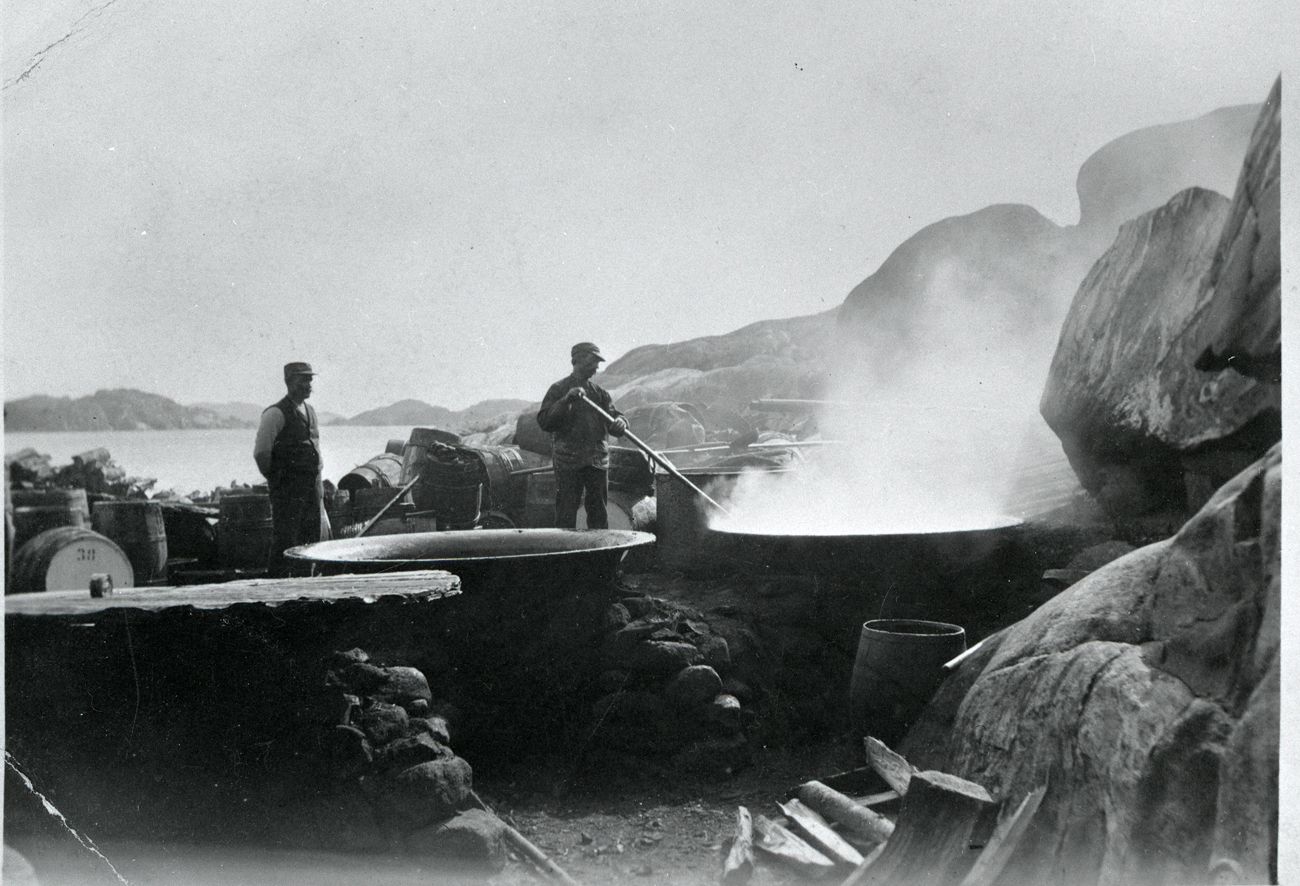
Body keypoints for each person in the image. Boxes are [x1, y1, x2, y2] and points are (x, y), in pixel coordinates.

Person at [537, 342, 629, 529]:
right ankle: (566, 556)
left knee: (599, 514)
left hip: (597, 461)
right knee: (566, 513)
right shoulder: (559, 389)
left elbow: (614, 419)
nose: (596, 367)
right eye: (593, 361)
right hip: (568, 462)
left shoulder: (599, 393)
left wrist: (622, 422)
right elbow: (545, 422)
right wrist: (566, 400)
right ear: (577, 359)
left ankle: (598, 556)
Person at [254, 361, 331, 576]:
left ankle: (303, 591)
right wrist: (277, 481)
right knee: (285, 543)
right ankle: (275, 594)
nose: (308, 384)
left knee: (310, 542)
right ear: (289, 382)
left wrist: (320, 487)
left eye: (310, 379)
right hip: (288, 491)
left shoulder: (311, 412)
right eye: (303, 379)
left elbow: (315, 450)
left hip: (312, 490)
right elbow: (261, 453)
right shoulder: (275, 414)